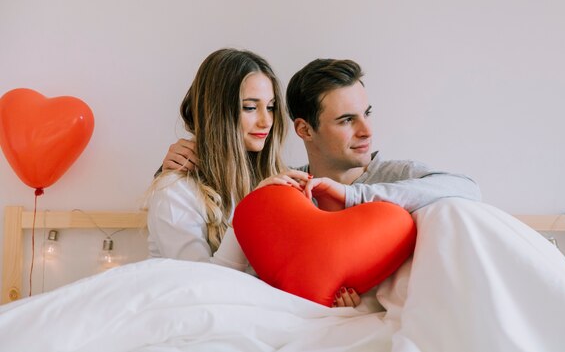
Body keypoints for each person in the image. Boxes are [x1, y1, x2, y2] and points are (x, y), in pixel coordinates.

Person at [161, 58, 482, 307]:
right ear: (304, 129)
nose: (367, 131)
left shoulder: (396, 175)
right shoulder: (284, 190)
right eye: (346, 120)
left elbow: (467, 188)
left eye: (366, 114)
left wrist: (353, 196)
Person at [146, 48, 310, 269]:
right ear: (216, 112)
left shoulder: (275, 181)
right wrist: (251, 213)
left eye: (270, 107)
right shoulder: (175, 192)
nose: (266, 121)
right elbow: (204, 286)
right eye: (250, 107)